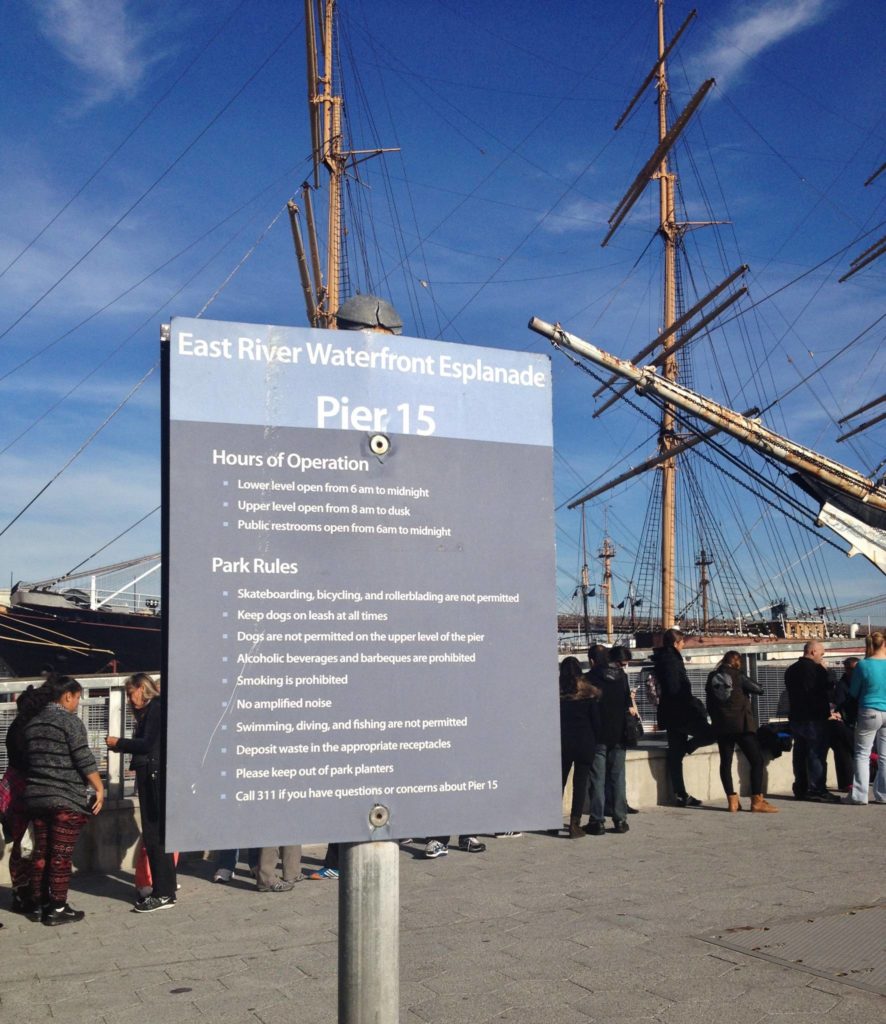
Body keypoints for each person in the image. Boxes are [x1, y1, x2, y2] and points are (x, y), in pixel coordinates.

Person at [25, 674, 104, 925]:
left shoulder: (32, 723)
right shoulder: (69, 722)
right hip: (64, 799)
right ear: (67, 696)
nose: (77, 704)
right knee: (61, 855)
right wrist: (99, 788)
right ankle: (58, 909)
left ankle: (39, 904)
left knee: (42, 853)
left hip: (37, 798)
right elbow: (83, 758)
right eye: (77, 698)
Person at [107, 673, 177, 912]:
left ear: (140, 688)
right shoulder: (154, 709)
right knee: (155, 835)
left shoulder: (155, 709)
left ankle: (164, 892)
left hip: (153, 775)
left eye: (130, 693)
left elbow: (146, 744)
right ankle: (164, 889)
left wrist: (118, 743)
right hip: (151, 773)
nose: (129, 699)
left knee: (155, 834)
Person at [705, 651, 777, 813]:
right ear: (737, 662)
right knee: (757, 761)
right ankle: (757, 800)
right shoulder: (738, 676)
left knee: (726, 762)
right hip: (742, 726)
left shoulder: (712, 677)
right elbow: (760, 689)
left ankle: (732, 801)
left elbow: (709, 699)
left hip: (722, 726)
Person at [651, 628, 714, 806]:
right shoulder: (671, 660)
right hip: (680, 711)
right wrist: (690, 703)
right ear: (676, 643)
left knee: (675, 754)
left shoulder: (665, 658)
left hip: (672, 712)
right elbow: (674, 688)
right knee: (711, 734)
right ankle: (687, 749)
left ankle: (681, 794)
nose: (684, 645)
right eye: (682, 642)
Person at [4, 685, 45, 914]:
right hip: (24, 792)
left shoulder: (16, 727)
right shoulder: (27, 730)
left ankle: (22, 892)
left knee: (22, 843)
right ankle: (24, 893)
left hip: (13, 789)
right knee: (26, 845)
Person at [784, 641, 840, 802]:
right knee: (817, 753)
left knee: (800, 753)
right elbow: (828, 691)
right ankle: (817, 789)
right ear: (814, 652)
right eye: (822, 654)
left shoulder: (791, 670)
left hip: (796, 716)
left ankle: (801, 787)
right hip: (814, 718)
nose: (822, 657)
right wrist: (826, 671)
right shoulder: (816, 670)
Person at [587, 646, 635, 834]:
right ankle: (620, 820)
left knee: (597, 779)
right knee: (618, 777)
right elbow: (627, 704)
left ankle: (597, 821)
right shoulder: (621, 677)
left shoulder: (590, 677)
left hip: (597, 734)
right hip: (619, 734)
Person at [556, 655, 598, 838]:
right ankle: (574, 824)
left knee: (559, 782)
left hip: (562, 743)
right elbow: (596, 722)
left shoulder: (555, 695)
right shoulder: (590, 694)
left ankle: (551, 819)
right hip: (584, 742)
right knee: (580, 785)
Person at [844, 631, 886, 805]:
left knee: (862, 753)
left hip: (869, 711)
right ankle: (883, 794)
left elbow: (853, 692)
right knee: (885, 756)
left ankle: (860, 795)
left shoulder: (863, 665)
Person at [826, 658, 857, 792]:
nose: (851, 671)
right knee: (842, 747)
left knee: (843, 748)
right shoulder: (842, 685)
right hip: (844, 722)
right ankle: (846, 783)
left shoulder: (849, 683)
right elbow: (840, 703)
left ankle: (847, 782)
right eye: (849, 668)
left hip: (850, 721)